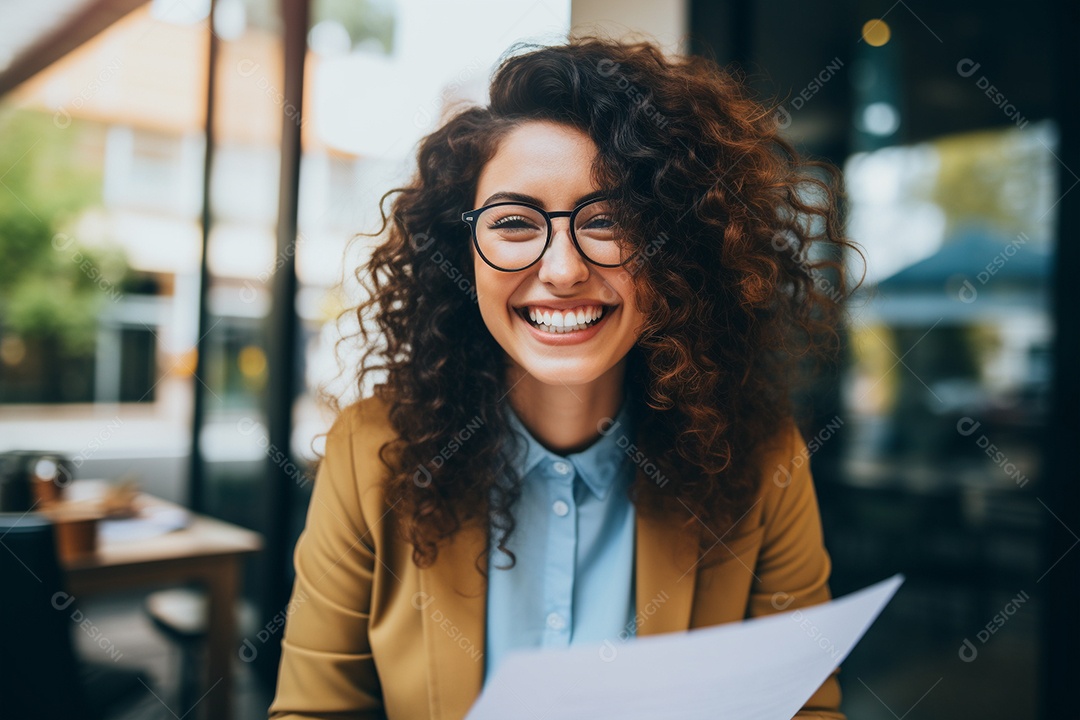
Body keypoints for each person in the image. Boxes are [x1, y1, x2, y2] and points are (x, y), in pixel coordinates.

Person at [268, 34, 863, 720]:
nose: (562, 270)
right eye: (516, 222)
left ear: (676, 249)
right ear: (463, 253)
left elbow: (807, 711)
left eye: (607, 219)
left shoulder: (761, 458)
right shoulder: (369, 452)